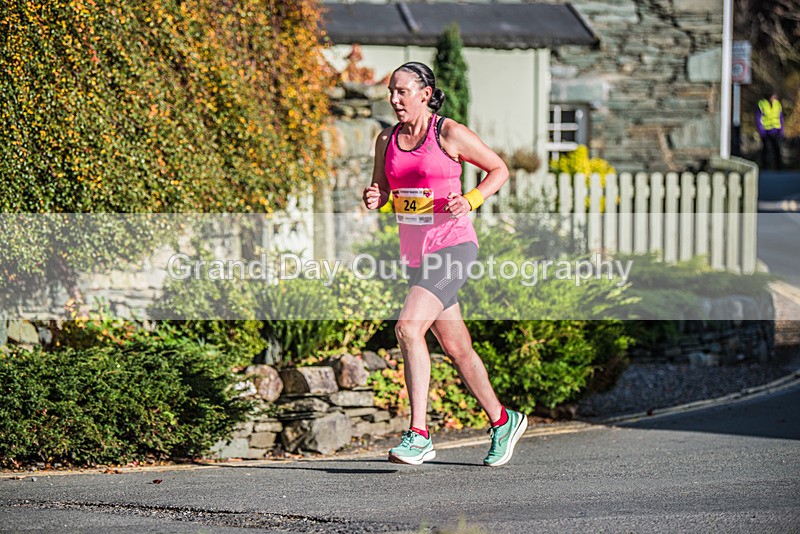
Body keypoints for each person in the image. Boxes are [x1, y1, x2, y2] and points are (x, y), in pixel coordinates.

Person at [361, 62, 527, 467]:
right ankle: (503, 420)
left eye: (402, 91)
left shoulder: (447, 132)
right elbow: (383, 188)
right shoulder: (387, 139)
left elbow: (498, 169)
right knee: (457, 347)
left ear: (424, 92)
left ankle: (418, 434)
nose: (395, 99)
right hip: (415, 255)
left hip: (453, 248)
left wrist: (469, 200)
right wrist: (374, 197)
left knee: (407, 328)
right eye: (391, 92)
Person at [757, 92, 784, 170]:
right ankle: (765, 167)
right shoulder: (762, 104)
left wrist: (781, 131)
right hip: (766, 131)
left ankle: (779, 167)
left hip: (776, 131)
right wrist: (761, 131)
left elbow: (781, 118)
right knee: (766, 150)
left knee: (777, 150)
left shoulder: (777, 104)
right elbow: (758, 118)